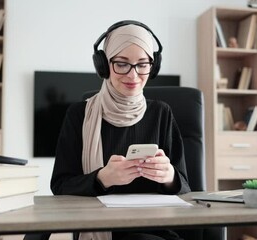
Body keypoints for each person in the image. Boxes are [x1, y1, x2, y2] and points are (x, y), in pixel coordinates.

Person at [51, 20, 191, 240]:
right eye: (122, 64)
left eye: (143, 64)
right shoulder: (79, 115)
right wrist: (102, 178)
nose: (133, 75)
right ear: (104, 65)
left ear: (153, 67)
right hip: (103, 229)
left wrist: (169, 175)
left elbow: (184, 187)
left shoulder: (162, 113)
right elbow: (60, 186)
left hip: (157, 229)